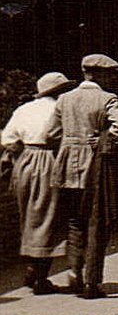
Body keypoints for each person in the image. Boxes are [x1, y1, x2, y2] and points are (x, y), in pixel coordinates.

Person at [49, 53, 118, 299]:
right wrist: (102, 141)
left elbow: (51, 133)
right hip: (94, 168)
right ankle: (91, 283)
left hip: (65, 169)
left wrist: (69, 143)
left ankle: (76, 274)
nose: (111, 79)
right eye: (108, 75)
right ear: (96, 74)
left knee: (74, 222)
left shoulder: (64, 98)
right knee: (97, 223)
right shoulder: (107, 98)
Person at [2, 71, 71, 294]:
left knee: (29, 216)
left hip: (24, 162)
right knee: (49, 218)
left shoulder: (23, 109)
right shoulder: (59, 109)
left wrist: (20, 153)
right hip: (49, 159)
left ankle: (32, 267)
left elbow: (8, 139)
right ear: (59, 91)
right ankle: (41, 277)